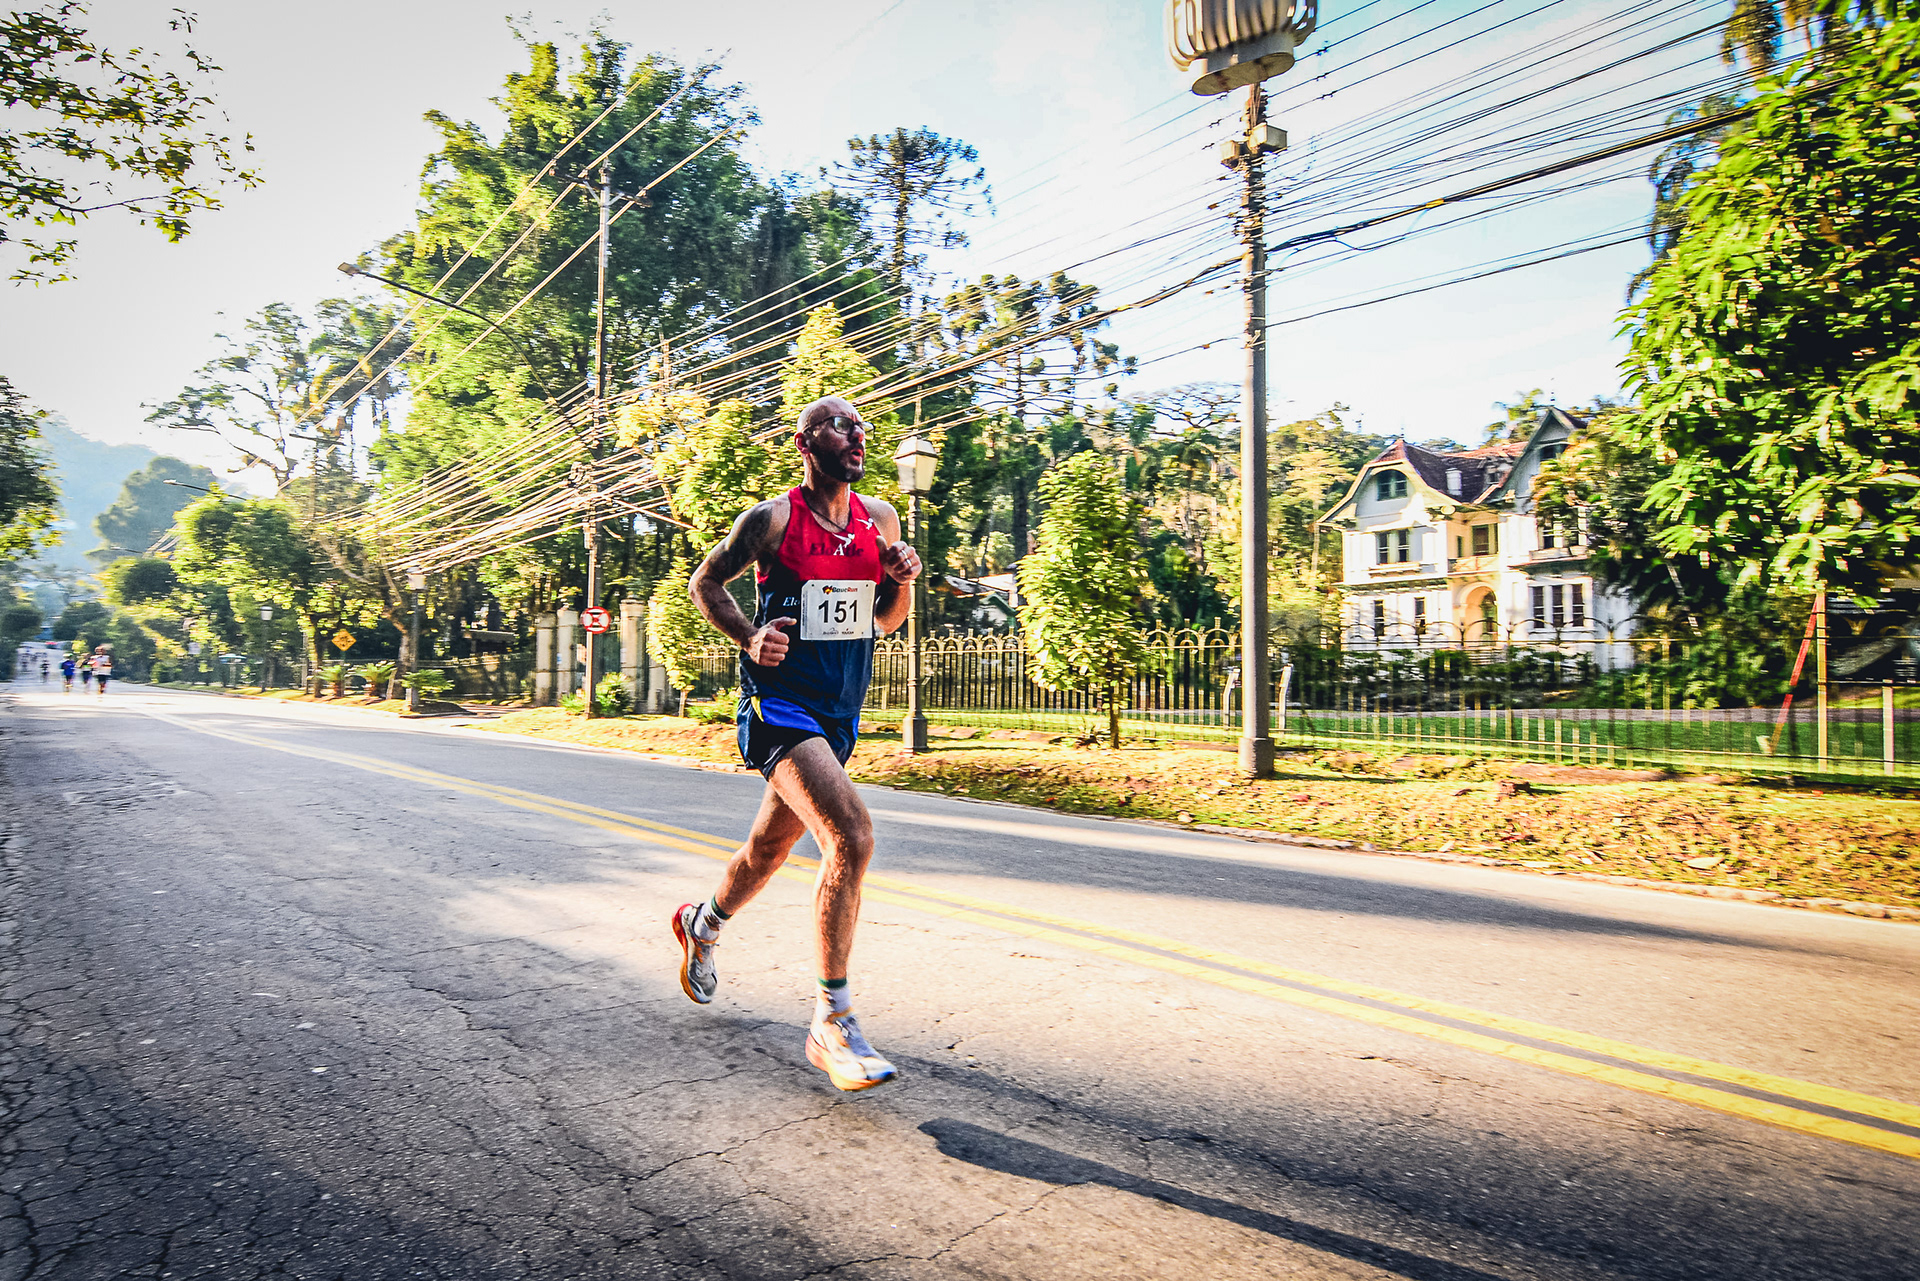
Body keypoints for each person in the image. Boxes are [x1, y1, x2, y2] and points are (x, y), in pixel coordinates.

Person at [673, 395, 922, 1092]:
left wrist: (900, 581)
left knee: (768, 849)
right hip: (779, 705)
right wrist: (748, 634)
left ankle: (702, 921)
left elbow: (885, 622)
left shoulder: (880, 520)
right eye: (839, 424)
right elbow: (705, 582)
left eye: (861, 425)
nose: (857, 433)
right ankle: (832, 1020)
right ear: (804, 443)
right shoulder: (772, 519)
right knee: (851, 834)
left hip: (838, 713)